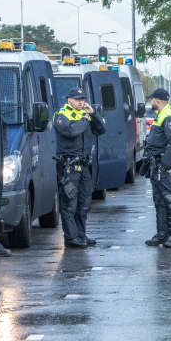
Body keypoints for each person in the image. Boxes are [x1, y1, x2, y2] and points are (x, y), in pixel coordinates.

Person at [53, 87, 107, 248]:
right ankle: (71, 237)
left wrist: (93, 114)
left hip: (83, 166)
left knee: (84, 203)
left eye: (83, 99)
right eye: (77, 99)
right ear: (69, 100)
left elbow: (101, 130)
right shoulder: (61, 115)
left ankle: (81, 235)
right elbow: (70, 131)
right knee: (70, 204)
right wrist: (85, 120)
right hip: (68, 166)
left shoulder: (85, 114)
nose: (81, 102)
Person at [140, 88, 171, 248]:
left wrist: (168, 166)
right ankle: (162, 234)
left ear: (157, 100)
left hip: (164, 164)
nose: (150, 102)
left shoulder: (170, 116)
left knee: (169, 199)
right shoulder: (161, 115)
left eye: (151, 100)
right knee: (159, 200)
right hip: (156, 164)